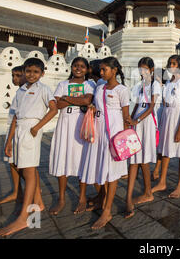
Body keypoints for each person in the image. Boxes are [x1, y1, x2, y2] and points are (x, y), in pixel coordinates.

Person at [0, 58, 58, 236]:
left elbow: (54, 109)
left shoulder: (43, 89)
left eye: (36, 72)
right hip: (19, 129)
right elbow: (15, 116)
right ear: (24, 71)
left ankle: (24, 216)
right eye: (28, 71)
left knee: (29, 172)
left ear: (42, 74)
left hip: (31, 130)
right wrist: (8, 142)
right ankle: (37, 203)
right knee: (21, 167)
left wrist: (37, 127)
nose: (31, 75)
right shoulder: (21, 90)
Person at [79, 57, 130, 229]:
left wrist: (123, 139)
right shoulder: (99, 88)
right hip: (99, 132)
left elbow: (125, 117)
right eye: (100, 70)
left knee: (112, 172)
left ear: (114, 70)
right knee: (101, 169)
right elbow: (95, 106)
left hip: (114, 134)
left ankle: (107, 211)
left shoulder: (122, 90)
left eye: (104, 70)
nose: (101, 73)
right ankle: (103, 201)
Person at [49, 57, 95, 215]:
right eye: (76, 66)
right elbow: (57, 105)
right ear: (71, 67)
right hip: (65, 125)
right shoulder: (63, 84)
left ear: (87, 69)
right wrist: (78, 101)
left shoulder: (90, 84)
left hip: (81, 125)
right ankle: (61, 198)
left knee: (81, 160)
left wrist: (66, 98)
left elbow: (87, 100)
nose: (78, 69)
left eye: (82, 66)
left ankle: (82, 197)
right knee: (62, 159)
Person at [125, 57, 160, 218]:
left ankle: (146, 192)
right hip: (137, 124)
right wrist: (129, 121)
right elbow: (137, 106)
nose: (142, 72)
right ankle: (130, 197)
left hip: (147, 124)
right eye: (140, 69)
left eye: (145, 69)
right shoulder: (139, 87)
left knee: (142, 160)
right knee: (135, 160)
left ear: (151, 70)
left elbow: (151, 107)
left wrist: (136, 120)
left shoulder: (155, 85)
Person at [152, 55, 180, 199]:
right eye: (170, 63)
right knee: (165, 150)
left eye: (174, 63)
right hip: (167, 117)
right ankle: (162, 181)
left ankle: (179, 184)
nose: (171, 65)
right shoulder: (168, 82)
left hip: (177, 118)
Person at [0, 65, 26, 205]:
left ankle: (35, 191)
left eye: (18, 75)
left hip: (20, 130)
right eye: (13, 75)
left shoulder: (26, 92)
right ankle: (17, 191)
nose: (15, 79)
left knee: (25, 166)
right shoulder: (19, 92)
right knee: (12, 162)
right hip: (12, 129)